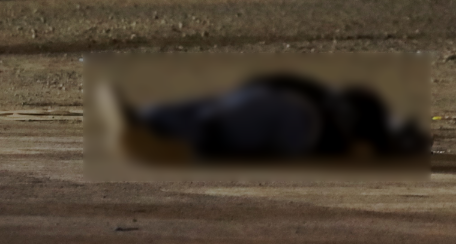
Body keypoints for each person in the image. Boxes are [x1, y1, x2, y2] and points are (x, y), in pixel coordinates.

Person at [95, 73, 431, 164]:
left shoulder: (363, 114)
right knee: (222, 119)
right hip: (299, 117)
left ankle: (147, 122)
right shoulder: (367, 117)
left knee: (219, 113)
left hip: (292, 110)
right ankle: (150, 127)